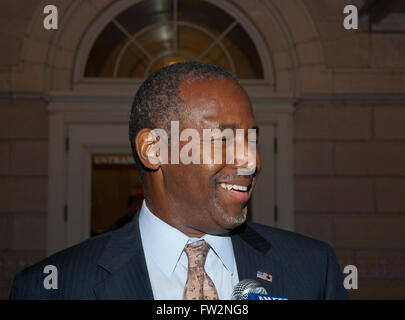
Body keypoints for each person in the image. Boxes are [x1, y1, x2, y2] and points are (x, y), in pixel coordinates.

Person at [9, 62, 348, 300]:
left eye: (252, 141)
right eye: (225, 139)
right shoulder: (53, 287)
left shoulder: (312, 269)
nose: (251, 161)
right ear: (154, 149)